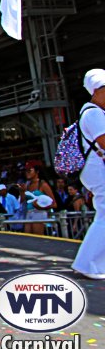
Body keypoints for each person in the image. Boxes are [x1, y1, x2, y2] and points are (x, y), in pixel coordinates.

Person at [71, 69, 105, 279]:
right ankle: (88, 264)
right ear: (98, 90)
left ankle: (91, 262)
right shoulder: (93, 113)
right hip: (98, 170)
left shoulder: (95, 112)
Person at [23, 161, 55, 235]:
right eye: (26, 171)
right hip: (29, 212)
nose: (27, 173)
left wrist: (40, 206)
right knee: (27, 235)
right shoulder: (27, 185)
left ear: (37, 171)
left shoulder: (43, 184)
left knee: (37, 236)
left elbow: (54, 203)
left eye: (29, 170)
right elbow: (24, 201)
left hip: (39, 212)